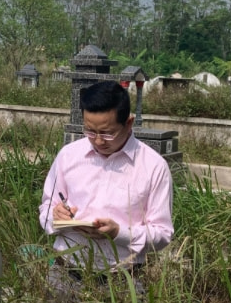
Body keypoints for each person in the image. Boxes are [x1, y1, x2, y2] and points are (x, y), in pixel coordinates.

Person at [39, 80, 174, 292]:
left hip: (122, 281)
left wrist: (118, 233)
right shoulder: (69, 155)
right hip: (64, 273)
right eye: (90, 131)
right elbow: (47, 207)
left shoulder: (153, 166)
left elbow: (163, 234)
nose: (99, 141)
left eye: (108, 133)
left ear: (128, 123)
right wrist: (56, 217)